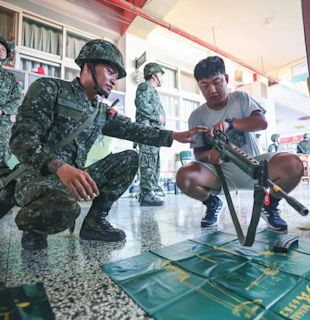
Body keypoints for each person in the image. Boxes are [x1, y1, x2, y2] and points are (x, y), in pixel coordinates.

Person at [9, 39, 207, 250]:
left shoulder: (100, 112)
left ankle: (95, 221)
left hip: (75, 176)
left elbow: (135, 130)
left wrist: (174, 135)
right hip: (38, 177)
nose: (114, 80)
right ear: (88, 66)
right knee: (64, 210)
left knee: (130, 158)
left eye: (117, 76)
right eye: (111, 72)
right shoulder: (49, 88)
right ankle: (34, 227)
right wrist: (60, 167)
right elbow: (21, 140)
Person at [176, 56, 303, 231]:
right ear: (199, 87)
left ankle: (270, 205)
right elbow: (198, 153)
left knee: (293, 165)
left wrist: (231, 123)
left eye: (217, 82)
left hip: (254, 166)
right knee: (184, 176)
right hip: (219, 174)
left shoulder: (241, 98)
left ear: (226, 79)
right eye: (205, 85)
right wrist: (210, 155)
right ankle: (212, 204)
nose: (212, 90)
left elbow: (261, 122)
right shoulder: (196, 116)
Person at [135, 62, 166, 206]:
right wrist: (157, 116)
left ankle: (149, 192)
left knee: (152, 162)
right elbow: (140, 103)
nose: (161, 77)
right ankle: (147, 194)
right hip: (147, 133)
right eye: (160, 74)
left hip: (153, 134)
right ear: (154, 75)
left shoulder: (152, 90)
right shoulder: (145, 86)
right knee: (148, 162)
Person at [0, 36, 23, 216]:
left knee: (1, 163)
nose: (0, 50)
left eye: (3, 49)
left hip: (2, 126)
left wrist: (2, 111)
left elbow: (17, 100)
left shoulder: (9, 78)